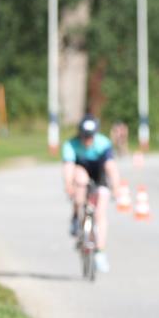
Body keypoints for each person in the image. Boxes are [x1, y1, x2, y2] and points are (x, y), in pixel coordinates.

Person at [62, 115, 121, 273]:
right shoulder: (71, 145)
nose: (87, 140)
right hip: (81, 172)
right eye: (84, 136)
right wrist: (68, 185)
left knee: (100, 212)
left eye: (90, 136)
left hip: (99, 174)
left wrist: (116, 187)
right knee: (79, 180)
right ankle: (76, 215)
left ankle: (100, 251)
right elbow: (68, 167)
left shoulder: (103, 144)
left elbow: (111, 167)